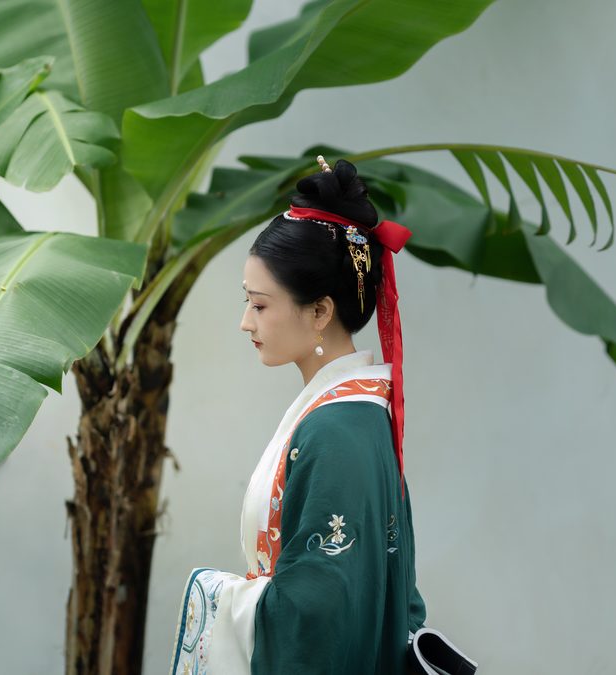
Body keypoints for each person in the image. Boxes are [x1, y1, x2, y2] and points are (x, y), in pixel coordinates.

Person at [169, 156, 426, 675]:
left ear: (320, 311)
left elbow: (315, 615)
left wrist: (214, 593)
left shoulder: (337, 430)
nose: (246, 322)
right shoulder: (359, 412)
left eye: (260, 305)